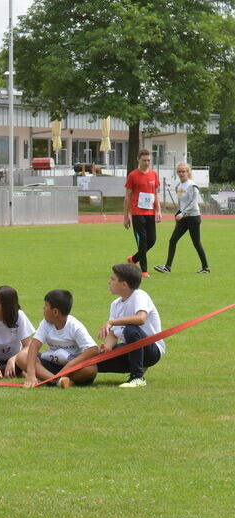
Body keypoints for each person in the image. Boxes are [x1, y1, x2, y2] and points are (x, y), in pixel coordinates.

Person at [96, 263, 165, 388]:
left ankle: (137, 377)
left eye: (112, 279)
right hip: (131, 348)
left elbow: (140, 319)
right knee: (95, 361)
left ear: (124, 285)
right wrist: (107, 348)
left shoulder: (139, 295)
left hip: (151, 351)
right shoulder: (115, 304)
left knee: (131, 330)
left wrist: (112, 322)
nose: (109, 282)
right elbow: (113, 333)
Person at [20, 290, 99, 389]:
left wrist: (70, 365)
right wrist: (31, 373)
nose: (43, 308)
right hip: (52, 364)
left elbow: (93, 349)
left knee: (90, 369)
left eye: (46, 305)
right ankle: (58, 381)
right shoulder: (46, 323)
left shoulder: (75, 326)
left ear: (55, 312)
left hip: (72, 369)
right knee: (21, 357)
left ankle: (47, 378)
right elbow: (34, 346)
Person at [153, 162, 209, 274]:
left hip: (193, 217)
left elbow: (193, 202)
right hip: (183, 218)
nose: (181, 173)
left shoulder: (192, 185)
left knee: (196, 243)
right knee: (172, 240)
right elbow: (182, 203)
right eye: (179, 171)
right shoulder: (179, 186)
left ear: (188, 172)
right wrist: (178, 212)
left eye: (183, 171)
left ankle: (205, 268)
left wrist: (182, 213)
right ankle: (167, 267)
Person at [124, 148, 162, 278]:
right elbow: (127, 196)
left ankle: (133, 259)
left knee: (152, 240)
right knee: (143, 241)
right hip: (137, 213)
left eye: (149, 160)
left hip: (150, 212)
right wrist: (126, 216)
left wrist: (158, 210)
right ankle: (143, 270)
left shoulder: (154, 175)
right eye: (144, 160)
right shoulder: (133, 175)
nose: (147, 163)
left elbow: (156, 194)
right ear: (138, 159)